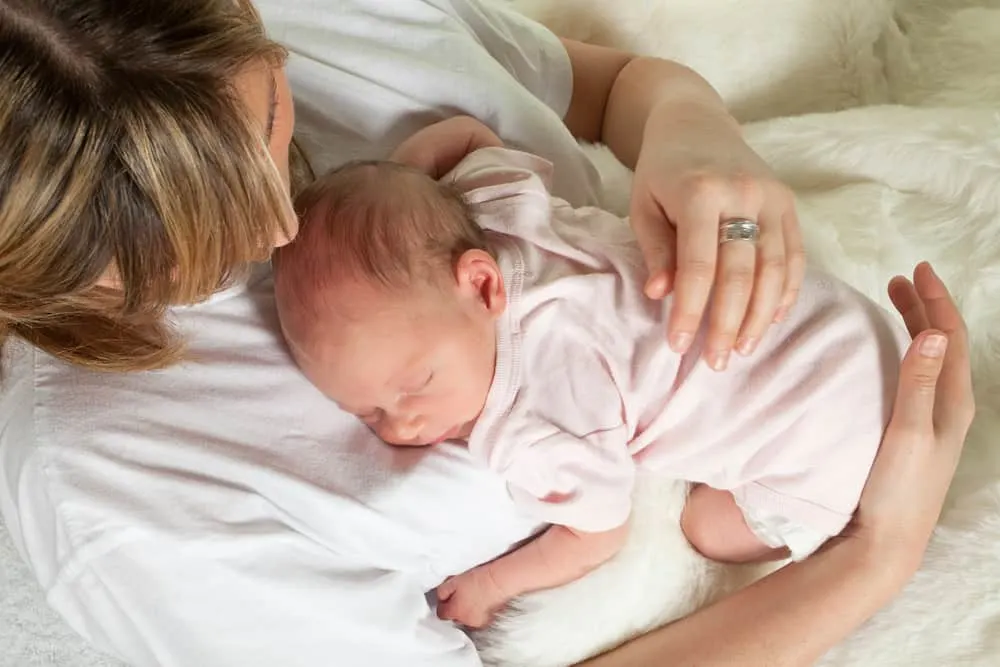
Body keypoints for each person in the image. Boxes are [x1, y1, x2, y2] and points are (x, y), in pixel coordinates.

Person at [0, 1, 973, 666]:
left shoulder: (320, 16)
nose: (277, 226)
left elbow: (609, 87)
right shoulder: (123, 502)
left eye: (264, 118)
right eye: (180, 245)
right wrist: (876, 556)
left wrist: (692, 132)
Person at [271, 118, 909, 628]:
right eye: (369, 414)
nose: (403, 424)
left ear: (483, 283)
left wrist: (492, 583)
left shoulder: (531, 420)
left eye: (416, 385)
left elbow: (597, 533)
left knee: (704, 527)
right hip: (846, 325)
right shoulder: (497, 210)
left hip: (832, 445)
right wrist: (401, 185)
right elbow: (467, 134)